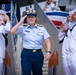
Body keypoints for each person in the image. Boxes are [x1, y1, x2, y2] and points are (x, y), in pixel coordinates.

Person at [10, 9, 51, 75]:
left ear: (35, 18)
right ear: (26, 19)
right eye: (29, 17)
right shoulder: (23, 28)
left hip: (38, 54)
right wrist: (20, 21)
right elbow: (12, 31)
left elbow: (47, 41)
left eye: (32, 17)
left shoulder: (41, 28)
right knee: (26, 73)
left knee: (38, 73)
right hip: (26, 54)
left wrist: (48, 52)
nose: (30, 19)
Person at [58, 10, 74, 75]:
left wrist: (65, 31)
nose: (69, 18)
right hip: (65, 56)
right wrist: (63, 31)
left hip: (73, 55)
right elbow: (59, 38)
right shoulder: (66, 25)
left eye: (71, 16)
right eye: (69, 16)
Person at [0, 10, 11, 75]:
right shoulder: (1, 27)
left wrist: (8, 21)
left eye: (3, 16)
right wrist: (2, 23)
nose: (2, 18)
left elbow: (7, 30)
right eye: (1, 15)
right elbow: (3, 30)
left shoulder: (2, 26)